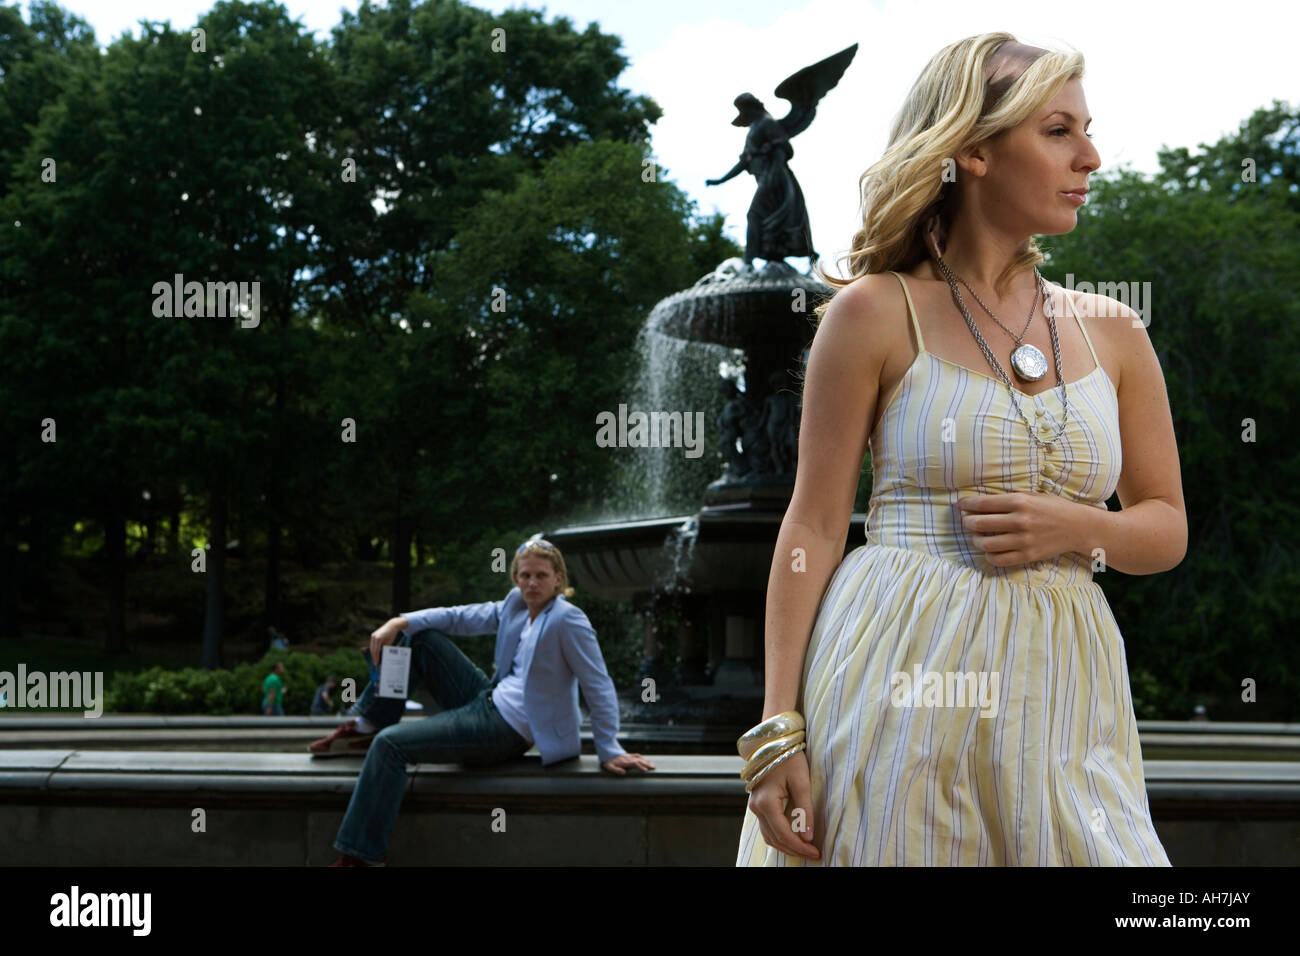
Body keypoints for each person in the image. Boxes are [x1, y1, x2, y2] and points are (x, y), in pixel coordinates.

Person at [736, 33, 1185, 866]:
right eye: (1059, 131)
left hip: (1066, 687)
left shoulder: (1115, 329)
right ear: (974, 149)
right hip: (893, 673)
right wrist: (777, 728)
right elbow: (812, 529)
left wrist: (1075, 529)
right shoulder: (873, 312)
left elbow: (1164, 528)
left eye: (1087, 129)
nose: (1091, 155)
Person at [311, 535, 656, 866]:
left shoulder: (568, 619)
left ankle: (363, 857)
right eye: (525, 575)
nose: (532, 583)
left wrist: (608, 746)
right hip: (487, 698)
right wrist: (398, 621)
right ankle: (369, 722)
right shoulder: (516, 604)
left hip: (503, 728)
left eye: (541, 576)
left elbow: (597, 682)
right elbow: (460, 616)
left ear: (558, 580)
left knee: (390, 746)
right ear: (516, 578)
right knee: (421, 639)